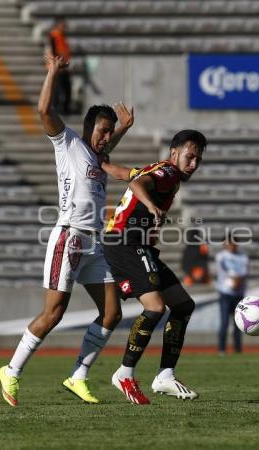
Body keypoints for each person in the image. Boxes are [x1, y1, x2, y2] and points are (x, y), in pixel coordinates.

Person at [0, 54, 134, 407]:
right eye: (102, 131)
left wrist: (124, 129)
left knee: (112, 313)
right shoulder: (70, 143)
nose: (106, 137)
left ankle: (78, 375)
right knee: (54, 313)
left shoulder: (97, 157)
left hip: (94, 244)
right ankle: (10, 372)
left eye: (109, 132)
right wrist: (52, 72)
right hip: (70, 237)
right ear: (89, 128)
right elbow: (44, 110)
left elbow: (105, 149)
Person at [103, 129, 207, 404]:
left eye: (198, 159)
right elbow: (138, 184)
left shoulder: (160, 170)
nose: (193, 164)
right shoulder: (168, 173)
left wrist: (101, 163)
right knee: (156, 307)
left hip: (139, 246)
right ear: (174, 153)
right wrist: (151, 207)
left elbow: (127, 174)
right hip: (124, 243)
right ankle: (124, 373)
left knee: (183, 305)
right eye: (190, 156)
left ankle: (165, 376)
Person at [215, 233, 249, 354]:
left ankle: (238, 349)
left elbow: (244, 273)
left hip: (239, 294)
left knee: (238, 324)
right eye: (229, 243)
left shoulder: (243, 257)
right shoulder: (221, 256)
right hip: (225, 293)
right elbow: (222, 271)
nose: (231, 245)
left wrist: (237, 281)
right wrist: (234, 279)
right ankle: (221, 349)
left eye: (233, 243)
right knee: (224, 322)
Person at [48, 18, 72, 114]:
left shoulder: (62, 36)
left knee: (66, 88)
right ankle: (56, 108)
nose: (65, 27)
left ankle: (64, 108)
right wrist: (57, 64)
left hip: (63, 66)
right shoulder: (54, 35)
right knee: (57, 88)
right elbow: (54, 51)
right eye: (63, 25)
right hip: (58, 67)